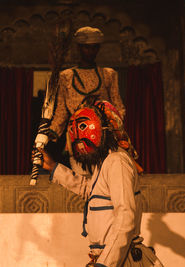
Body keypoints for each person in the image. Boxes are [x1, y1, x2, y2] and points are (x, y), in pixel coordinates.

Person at [35, 100, 163, 267]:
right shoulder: (104, 162)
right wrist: (53, 167)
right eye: (73, 130)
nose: (77, 136)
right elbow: (91, 190)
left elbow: (125, 217)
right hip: (108, 259)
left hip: (122, 261)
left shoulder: (117, 161)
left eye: (82, 127)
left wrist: (104, 263)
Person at [48, 26, 129, 175]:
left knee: (106, 178)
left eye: (94, 48)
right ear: (79, 48)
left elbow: (118, 107)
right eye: (86, 48)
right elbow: (61, 112)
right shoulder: (66, 77)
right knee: (83, 180)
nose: (90, 52)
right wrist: (50, 133)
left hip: (104, 138)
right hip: (77, 136)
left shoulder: (109, 74)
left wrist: (114, 125)